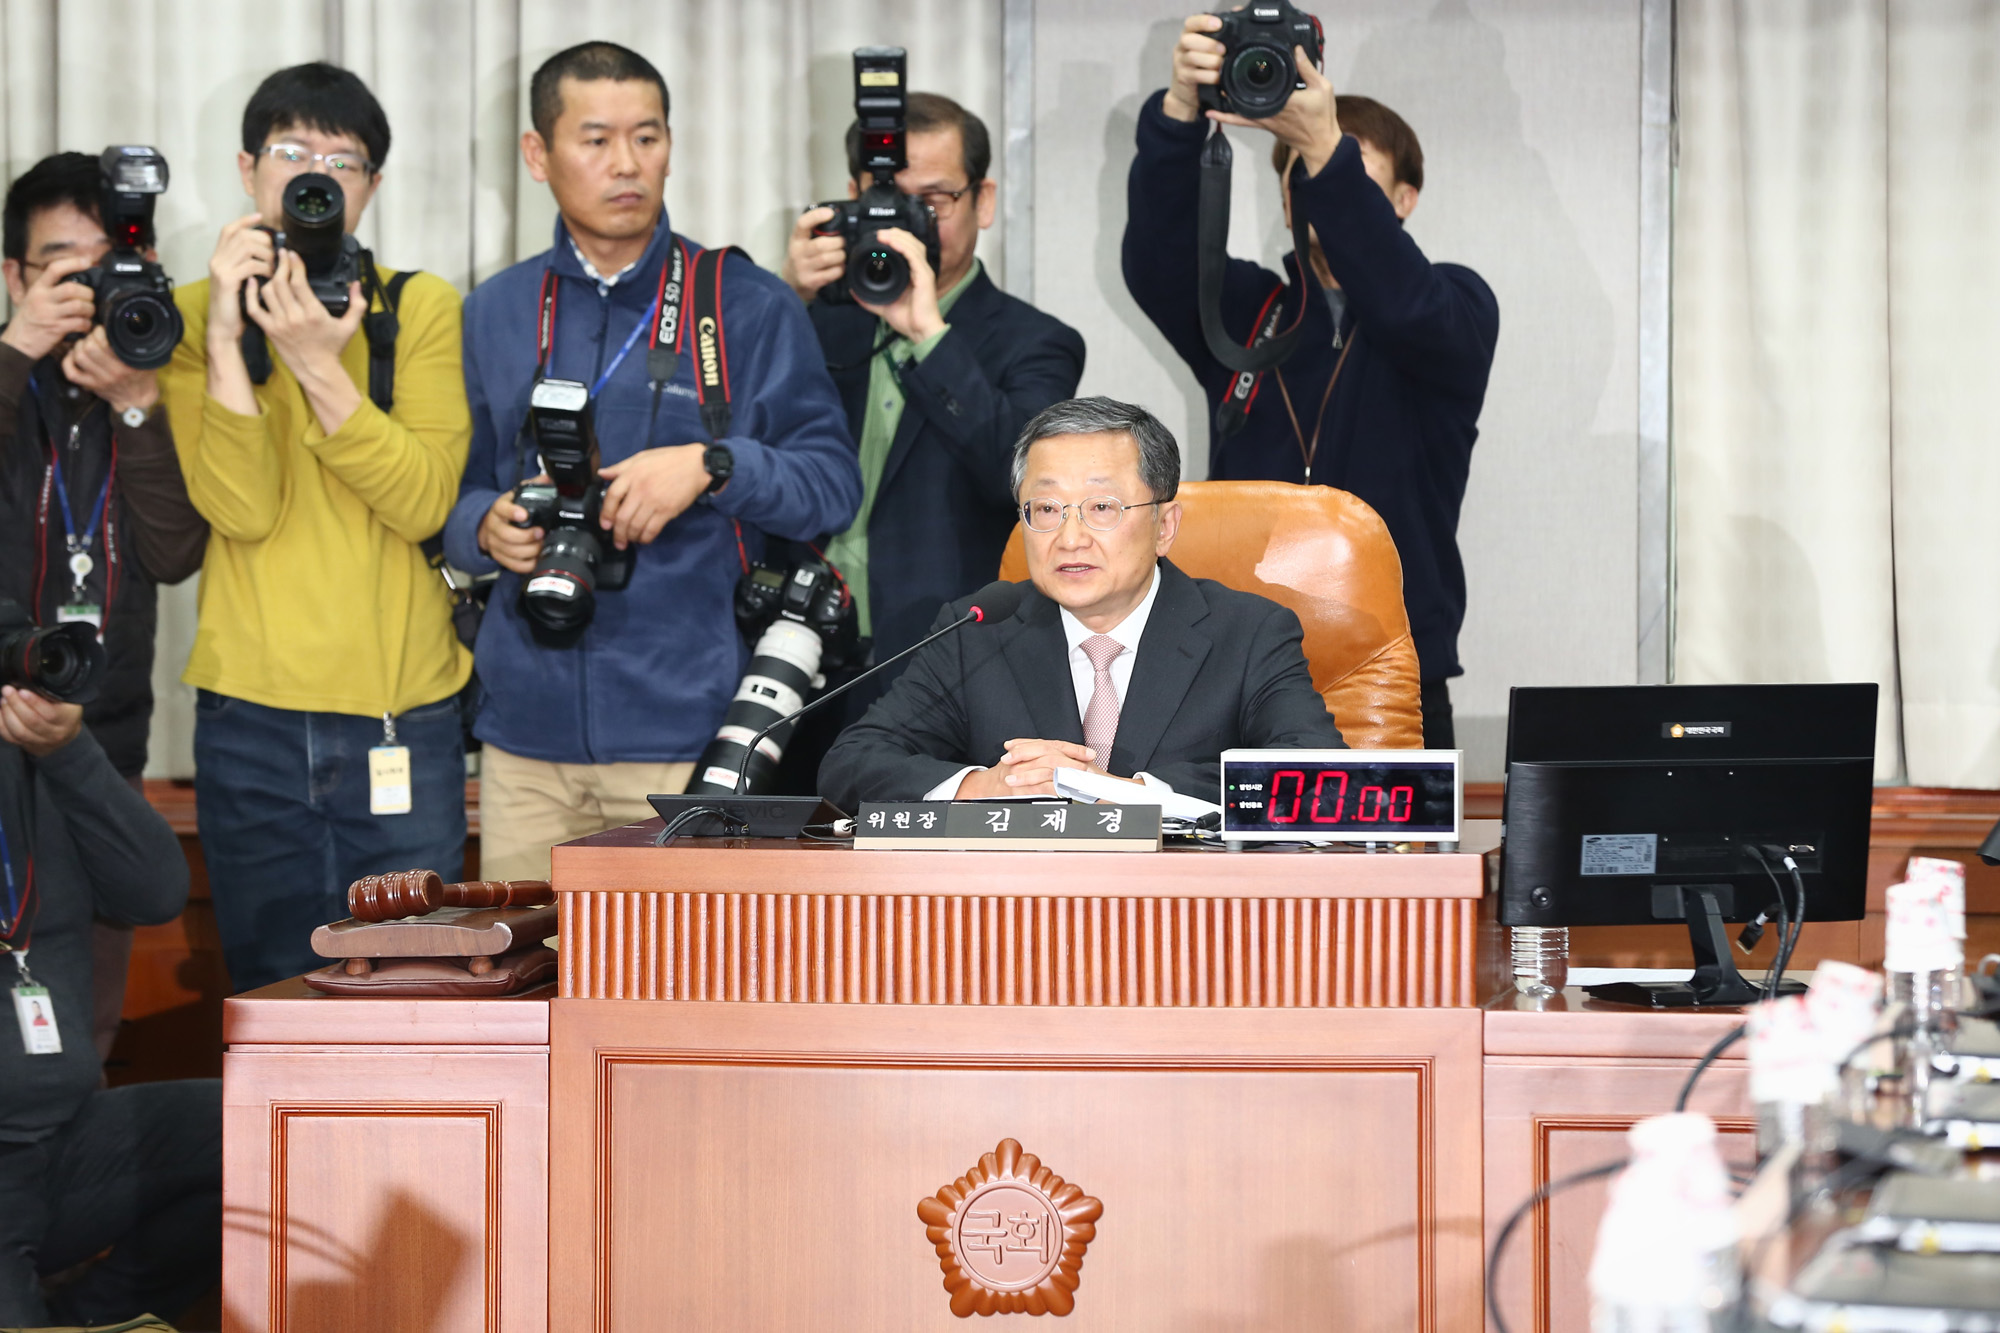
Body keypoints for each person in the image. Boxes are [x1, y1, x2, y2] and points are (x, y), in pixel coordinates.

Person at [443, 42, 860, 880]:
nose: (627, 164)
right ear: (538, 154)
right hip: (524, 742)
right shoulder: (495, 310)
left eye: (647, 137)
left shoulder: (745, 304)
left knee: (679, 962)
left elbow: (831, 486)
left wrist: (714, 465)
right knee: (529, 957)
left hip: (690, 738)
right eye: (596, 140)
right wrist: (482, 525)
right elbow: (451, 495)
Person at [159, 63, 473, 993]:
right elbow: (241, 508)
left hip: (400, 713)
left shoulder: (417, 306)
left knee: (416, 984)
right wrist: (229, 337)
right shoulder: (189, 316)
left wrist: (317, 365)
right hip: (249, 714)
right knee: (268, 986)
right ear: (248, 168)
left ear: (372, 185)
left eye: (343, 161)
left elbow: (423, 501)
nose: (316, 177)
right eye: (292, 152)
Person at [1122, 14, 1500, 748]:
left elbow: (1406, 304)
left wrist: (1326, 148)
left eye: (1352, 172)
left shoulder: (1456, 306)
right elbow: (1157, 260)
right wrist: (1178, 114)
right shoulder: (1247, 312)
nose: (1324, 189)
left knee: (1394, 834)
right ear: (1286, 197)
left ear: (1404, 200)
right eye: (1306, 174)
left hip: (1392, 667)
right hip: (1236, 669)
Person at [819, 396, 1344, 809]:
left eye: (1102, 507)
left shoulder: (1248, 633)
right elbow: (852, 764)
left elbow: (1321, 777)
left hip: (1182, 904)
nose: (1069, 538)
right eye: (1047, 508)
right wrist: (985, 786)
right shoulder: (975, 631)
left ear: (1164, 526)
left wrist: (1123, 792)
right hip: (1021, 906)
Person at [1, 152, 208, 1060]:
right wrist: (17, 349)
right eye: (61, 267)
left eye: (104, 267)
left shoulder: (156, 376)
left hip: (100, 747)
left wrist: (136, 405)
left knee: (85, 1028)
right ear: (15, 276)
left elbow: (173, 554)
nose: (87, 291)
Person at [781, 93, 1085, 675]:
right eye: (889, 201)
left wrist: (927, 334)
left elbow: (1017, 477)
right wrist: (784, 298)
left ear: (983, 200)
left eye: (932, 201)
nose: (905, 225)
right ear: (854, 198)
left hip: (943, 657)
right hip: (797, 644)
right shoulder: (813, 317)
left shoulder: (1037, 342)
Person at [0, 682, 221, 1326]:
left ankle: (89, 1320)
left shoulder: (38, 764)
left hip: (60, 1142)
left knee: (258, 1136)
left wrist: (66, 750)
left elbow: (156, 893)